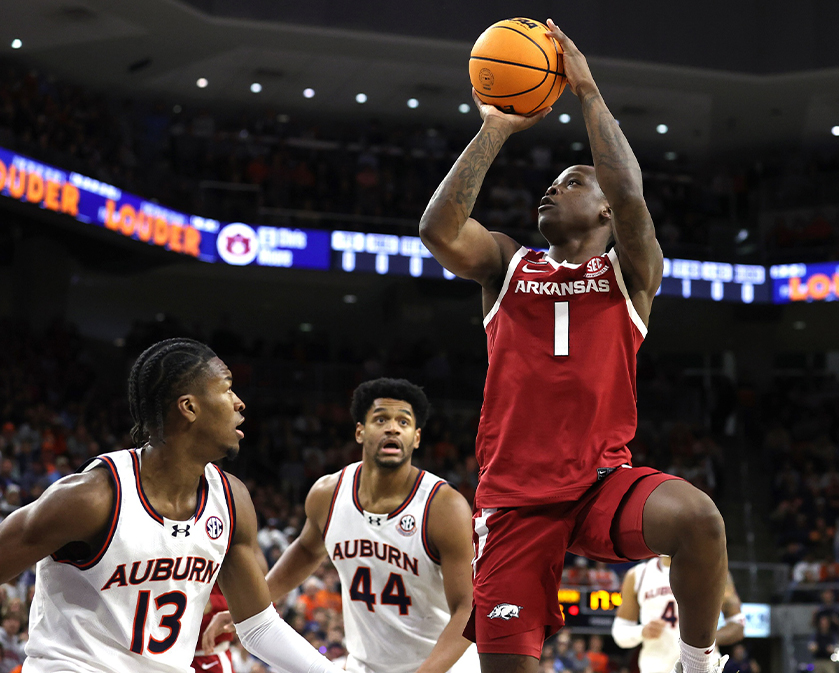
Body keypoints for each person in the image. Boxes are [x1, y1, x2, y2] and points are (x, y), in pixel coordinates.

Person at [419, 18, 727, 673]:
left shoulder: (631, 272)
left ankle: (699, 665)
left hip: (600, 482)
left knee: (699, 518)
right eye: (551, 183)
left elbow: (632, 192)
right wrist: (494, 129)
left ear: (606, 212)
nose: (552, 188)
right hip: (512, 503)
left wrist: (588, 94)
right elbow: (439, 230)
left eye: (572, 182)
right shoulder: (507, 263)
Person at [0, 338, 342, 673]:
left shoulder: (231, 500)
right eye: (226, 389)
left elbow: (259, 627)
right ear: (189, 407)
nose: (239, 403)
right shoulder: (93, 497)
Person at [204, 378, 478, 673]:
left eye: (404, 422)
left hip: (445, 667)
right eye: (381, 419)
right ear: (360, 431)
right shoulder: (328, 494)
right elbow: (307, 551)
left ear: (417, 438)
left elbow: (467, 608)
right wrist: (249, 607)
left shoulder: (444, 507)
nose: (393, 428)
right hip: (365, 666)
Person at [611, 558, 744, 673]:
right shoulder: (638, 575)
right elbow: (619, 633)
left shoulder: (712, 570)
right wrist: (642, 631)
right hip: (656, 668)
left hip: (701, 667)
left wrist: (710, 640)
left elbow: (738, 625)